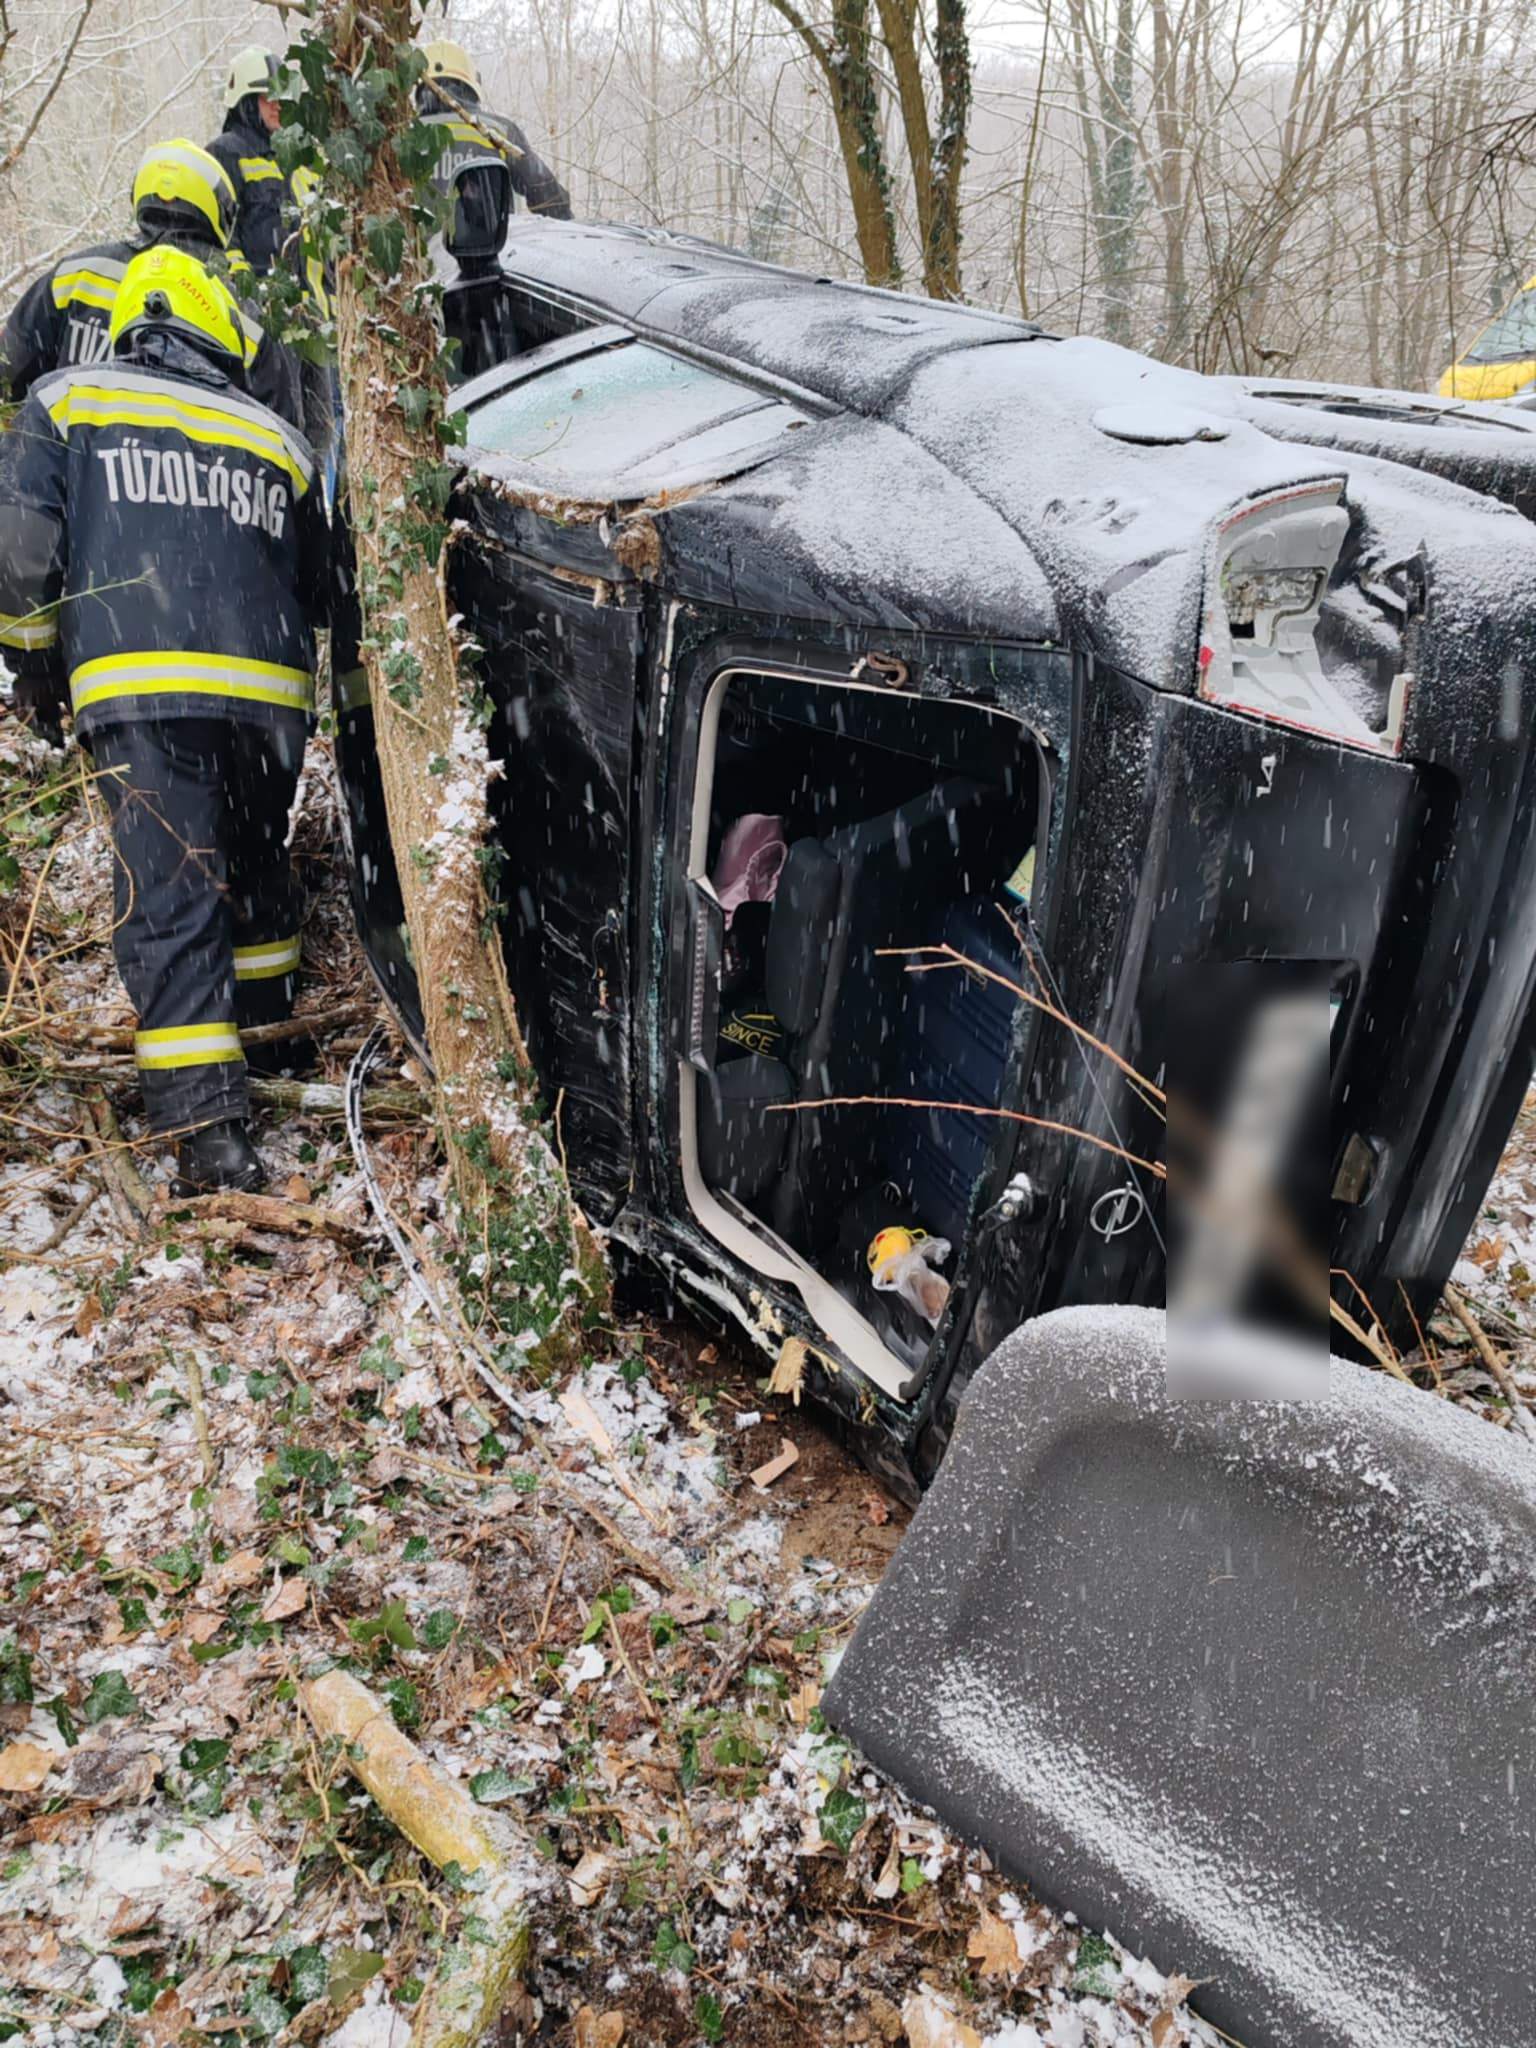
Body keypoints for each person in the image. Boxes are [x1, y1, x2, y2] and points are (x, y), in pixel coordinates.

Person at [0, 246, 327, 1194]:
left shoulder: (69, 401)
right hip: (269, 699)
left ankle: (210, 1135)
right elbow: (319, 582)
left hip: (140, 688)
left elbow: (23, 551)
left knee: (172, 899)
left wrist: (29, 660)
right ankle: (270, 1037)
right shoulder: (279, 439)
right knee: (257, 862)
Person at [0, 138, 303, 430]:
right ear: (221, 211)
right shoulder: (242, 310)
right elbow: (283, 434)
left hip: (71, 475)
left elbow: (10, 370)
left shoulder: (76, 276)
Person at [416, 40, 572, 221]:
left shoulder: (402, 137)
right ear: (471, 84)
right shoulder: (501, 131)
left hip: (419, 248)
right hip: (490, 248)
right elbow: (548, 195)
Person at [206, 48, 294, 277]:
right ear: (247, 102)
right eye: (268, 96)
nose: (278, 105)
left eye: (280, 96)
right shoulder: (224, 153)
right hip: (252, 301)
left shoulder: (287, 156)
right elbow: (219, 232)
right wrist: (243, 288)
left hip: (293, 301)